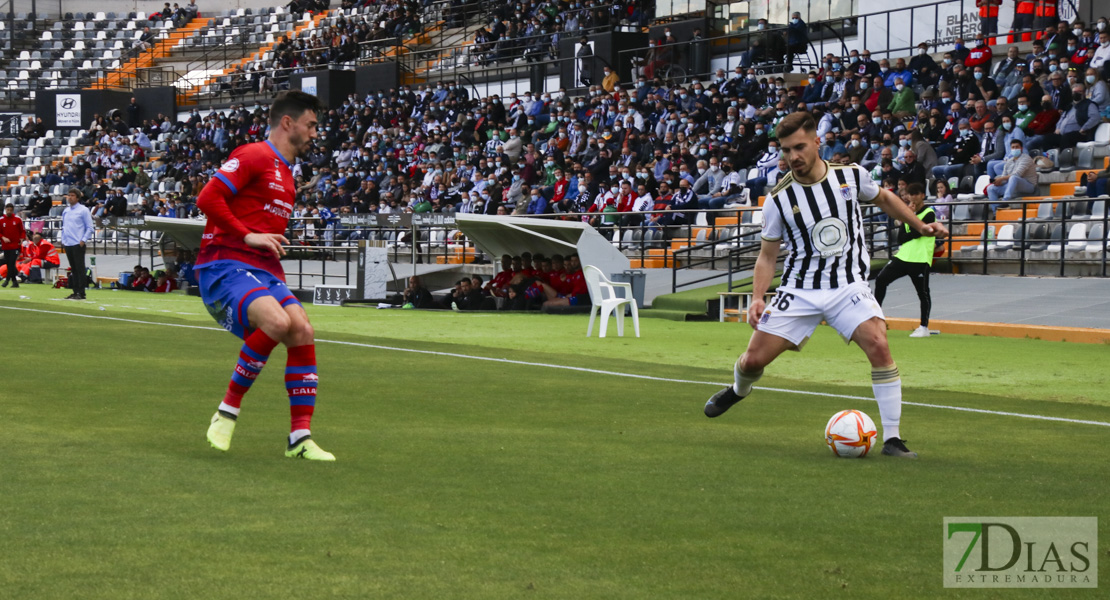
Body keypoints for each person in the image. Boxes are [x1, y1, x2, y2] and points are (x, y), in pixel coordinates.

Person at [702, 112, 948, 459]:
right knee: (752, 362)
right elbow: (767, 256)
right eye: (786, 150)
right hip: (799, 289)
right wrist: (758, 298)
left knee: (879, 344)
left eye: (799, 147)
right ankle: (738, 390)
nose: (793, 157)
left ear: (818, 142)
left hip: (848, 285)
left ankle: (892, 438)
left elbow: (885, 198)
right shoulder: (778, 199)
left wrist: (920, 227)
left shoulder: (850, 176)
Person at [195, 91, 336, 461]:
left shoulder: (287, 175)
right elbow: (207, 198)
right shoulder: (254, 154)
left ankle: (300, 438)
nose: (315, 133)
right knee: (276, 320)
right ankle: (227, 411)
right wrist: (247, 234)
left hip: (262, 269)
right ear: (287, 123)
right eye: (311, 125)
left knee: (302, 330)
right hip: (226, 262)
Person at [873, 183, 936, 338]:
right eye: (910, 194)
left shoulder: (929, 213)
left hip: (920, 259)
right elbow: (901, 238)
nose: (912, 197)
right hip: (903, 256)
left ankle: (923, 327)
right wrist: (909, 217)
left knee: (923, 293)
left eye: (915, 194)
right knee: (881, 280)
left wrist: (909, 218)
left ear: (922, 195)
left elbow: (915, 234)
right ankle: (875, 320)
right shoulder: (908, 214)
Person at [60, 189, 94, 300]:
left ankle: (81, 292)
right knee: (73, 269)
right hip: (68, 243)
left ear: (78, 198)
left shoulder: (83, 210)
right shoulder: (66, 211)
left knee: (79, 268)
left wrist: (83, 240)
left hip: (77, 242)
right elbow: (64, 227)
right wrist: (64, 240)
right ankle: (75, 291)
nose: (70, 197)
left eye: (72, 195)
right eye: (69, 195)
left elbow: (90, 227)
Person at [0, 203, 24, 288]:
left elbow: (22, 231)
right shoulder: (1, 220)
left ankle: (7, 280)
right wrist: (3, 237)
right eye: (7, 210)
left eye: (10, 210)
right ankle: (14, 282)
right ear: (5, 210)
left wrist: (21, 239)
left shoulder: (18, 219)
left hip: (15, 245)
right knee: (9, 263)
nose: (9, 211)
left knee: (11, 262)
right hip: (6, 246)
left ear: (13, 210)